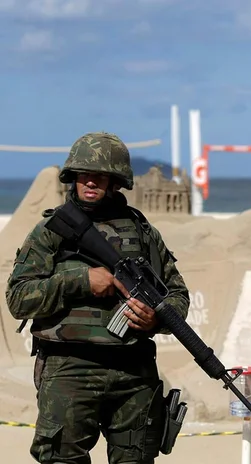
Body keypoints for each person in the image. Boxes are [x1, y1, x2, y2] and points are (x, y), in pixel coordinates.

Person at [5, 132, 190, 464]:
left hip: (134, 371)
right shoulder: (52, 231)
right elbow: (19, 299)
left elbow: (177, 294)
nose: (89, 182)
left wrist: (155, 319)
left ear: (116, 180)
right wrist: (81, 281)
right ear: (72, 178)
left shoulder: (143, 233)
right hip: (70, 369)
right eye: (82, 174)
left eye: (99, 176)